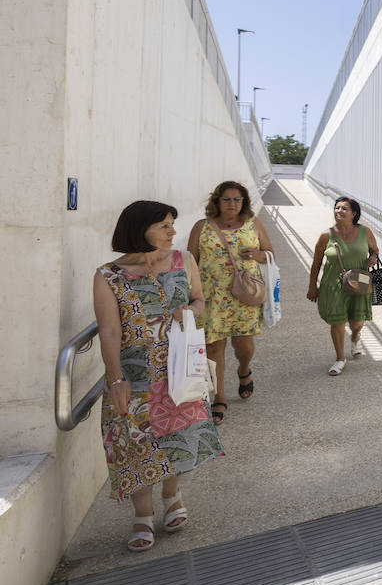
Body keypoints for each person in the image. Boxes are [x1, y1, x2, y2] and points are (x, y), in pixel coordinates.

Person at [94, 201, 225, 552]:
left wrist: (189, 311)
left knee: (179, 436)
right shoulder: (109, 275)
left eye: (172, 225)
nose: (172, 232)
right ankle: (142, 514)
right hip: (134, 374)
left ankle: (172, 494)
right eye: (164, 225)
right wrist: (116, 378)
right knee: (137, 442)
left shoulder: (184, 261)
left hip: (179, 365)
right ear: (141, 229)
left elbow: (200, 301)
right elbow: (109, 331)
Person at [188, 181, 276, 425]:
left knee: (244, 346)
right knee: (214, 348)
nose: (232, 204)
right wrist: (190, 293)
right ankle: (219, 395)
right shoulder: (201, 227)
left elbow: (270, 253)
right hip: (211, 297)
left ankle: (244, 369)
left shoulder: (253, 224)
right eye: (227, 199)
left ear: (244, 203)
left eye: (237, 200)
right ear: (217, 201)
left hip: (244, 296)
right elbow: (191, 262)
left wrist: (258, 255)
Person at [307, 196, 379, 375]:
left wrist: (373, 258)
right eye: (337, 208)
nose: (339, 211)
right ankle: (340, 359)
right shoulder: (326, 235)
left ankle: (355, 336)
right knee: (337, 322)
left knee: (356, 322)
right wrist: (312, 286)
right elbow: (316, 263)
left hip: (360, 280)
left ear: (354, 213)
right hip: (333, 284)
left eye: (344, 208)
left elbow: (375, 250)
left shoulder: (365, 232)